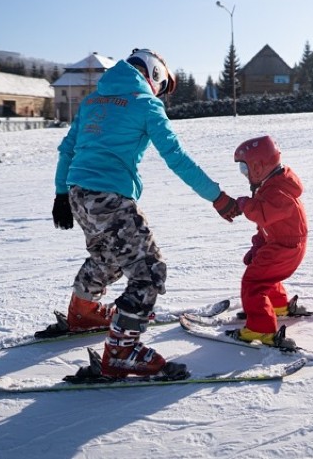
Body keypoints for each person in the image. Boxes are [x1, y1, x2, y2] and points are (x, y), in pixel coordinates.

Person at [45, 48, 240, 379]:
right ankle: (122, 351)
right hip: (109, 196)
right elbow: (175, 157)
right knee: (148, 271)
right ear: (155, 76)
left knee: (107, 257)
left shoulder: (92, 101)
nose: (160, 94)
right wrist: (217, 197)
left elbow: (67, 150)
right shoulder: (146, 103)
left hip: (78, 193)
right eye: (162, 87)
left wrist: (62, 195)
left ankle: (83, 311)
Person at [230, 135, 308, 351]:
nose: (244, 175)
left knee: (253, 283)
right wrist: (258, 246)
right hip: (280, 244)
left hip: (286, 248)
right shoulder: (272, 184)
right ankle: (277, 305)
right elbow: (267, 226)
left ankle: (261, 329)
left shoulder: (278, 190)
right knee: (264, 273)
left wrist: (244, 203)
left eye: (245, 170)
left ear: (258, 166)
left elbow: (262, 214)